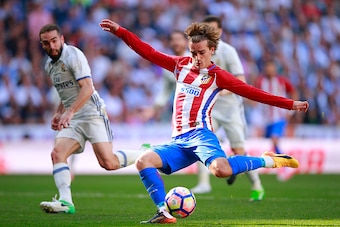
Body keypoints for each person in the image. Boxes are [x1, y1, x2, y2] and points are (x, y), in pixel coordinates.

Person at [99, 19, 309, 224]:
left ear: (212, 50)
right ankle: (163, 212)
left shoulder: (218, 76)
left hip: (201, 136)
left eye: (201, 53)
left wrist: (290, 104)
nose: (196, 57)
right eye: (192, 53)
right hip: (179, 140)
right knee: (143, 161)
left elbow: (253, 93)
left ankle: (268, 159)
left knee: (221, 170)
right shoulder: (179, 65)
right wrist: (121, 32)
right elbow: (148, 52)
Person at [38, 24, 142, 214]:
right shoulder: (49, 65)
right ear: (42, 45)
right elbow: (65, 93)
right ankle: (65, 202)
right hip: (74, 118)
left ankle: (143, 153)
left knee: (108, 163)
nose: (51, 46)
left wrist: (68, 112)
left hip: (93, 113)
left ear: (62, 39)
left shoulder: (73, 55)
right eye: (46, 43)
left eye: (54, 41)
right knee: (57, 154)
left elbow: (86, 88)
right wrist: (59, 112)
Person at [189, 16, 264, 200]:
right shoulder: (199, 52)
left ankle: (256, 185)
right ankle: (204, 184)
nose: (210, 33)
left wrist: (222, 91)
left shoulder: (229, 51)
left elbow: (241, 80)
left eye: (213, 30)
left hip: (231, 109)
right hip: (210, 108)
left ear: (220, 32)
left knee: (238, 150)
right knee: (201, 140)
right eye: (207, 30)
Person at [254, 60, 298, 181]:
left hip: (279, 117)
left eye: (271, 67)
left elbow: (294, 92)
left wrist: (291, 110)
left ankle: (286, 166)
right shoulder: (260, 81)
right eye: (267, 67)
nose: (269, 69)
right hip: (266, 119)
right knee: (271, 144)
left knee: (274, 139)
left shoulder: (282, 81)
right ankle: (279, 165)